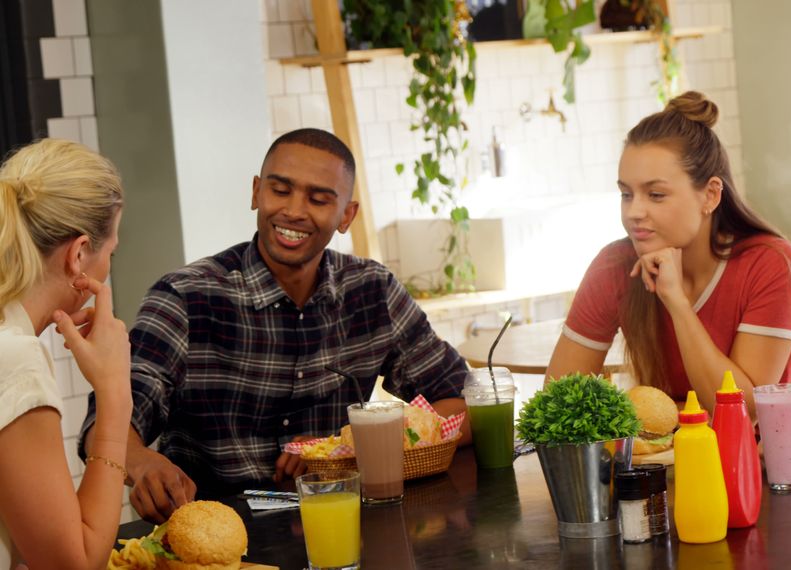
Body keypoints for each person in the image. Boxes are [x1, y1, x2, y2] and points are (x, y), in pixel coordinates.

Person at [79, 128, 470, 522]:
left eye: (318, 199)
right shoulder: (185, 297)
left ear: (346, 216)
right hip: (216, 538)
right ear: (255, 193)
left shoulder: (372, 291)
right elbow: (108, 422)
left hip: (341, 523)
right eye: (280, 190)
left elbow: (461, 403)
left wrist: (341, 451)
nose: (294, 211)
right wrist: (143, 462)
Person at [545, 91, 791, 415]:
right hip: (660, 462)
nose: (634, 211)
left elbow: (742, 412)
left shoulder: (771, 263)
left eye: (656, 194)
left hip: (764, 461)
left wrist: (676, 303)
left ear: (710, 195)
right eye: (626, 194)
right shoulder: (615, 266)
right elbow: (557, 403)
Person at [0, 139, 130, 569]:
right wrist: (114, 394)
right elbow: (71, 565)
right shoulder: (16, 358)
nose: (108, 265)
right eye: (110, 252)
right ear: (78, 255)